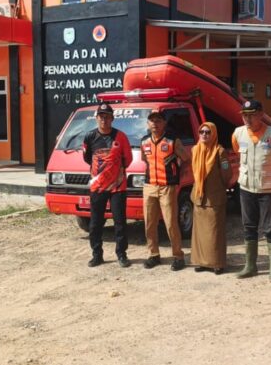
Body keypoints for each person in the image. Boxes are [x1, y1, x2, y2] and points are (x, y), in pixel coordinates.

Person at [232, 100, 271, 282]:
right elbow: (237, 151)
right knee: (249, 226)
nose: (247, 118)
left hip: (267, 189)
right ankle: (250, 266)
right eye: (244, 115)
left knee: (270, 227)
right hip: (247, 188)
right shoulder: (238, 134)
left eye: (251, 114)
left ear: (261, 114)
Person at [83, 103, 133, 268]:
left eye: (107, 116)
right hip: (97, 187)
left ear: (112, 118)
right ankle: (97, 255)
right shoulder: (89, 137)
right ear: (96, 118)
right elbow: (87, 158)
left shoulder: (121, 137)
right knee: (95, 222)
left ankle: (122, 254)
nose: (104, 119)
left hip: (118, 187)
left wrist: (115, 173)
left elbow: (128, 159)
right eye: (101, 116)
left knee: (120, 222)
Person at [141, 111, 190, 271]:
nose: (155, 124)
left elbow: (186, 160)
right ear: (148, 124)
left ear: (164, 123)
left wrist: (178, 180)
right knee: (149, 223)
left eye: (158, 121)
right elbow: (145, 161)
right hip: (149, 186)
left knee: (170, 223)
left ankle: (178, 256)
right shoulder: (144, 142)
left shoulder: (172, 141)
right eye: (152, 121)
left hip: (167, 187)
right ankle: (153, 254)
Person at [190, 122, 231, 274]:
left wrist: (220, 186)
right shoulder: (195, 150)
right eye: (202, 132)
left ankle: (217, 263)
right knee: (199, 233)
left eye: (208, 132)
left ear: (213, 134)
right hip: (199, 197)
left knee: (214, 232)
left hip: (215, 198)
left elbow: (227, 174)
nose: (204, 135)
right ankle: (201, 262)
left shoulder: (220, 151)